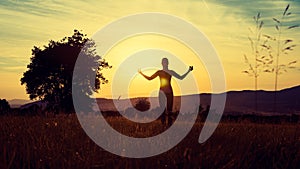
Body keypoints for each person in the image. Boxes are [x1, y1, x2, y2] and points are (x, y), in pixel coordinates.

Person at [138, 58, 193, 126]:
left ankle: (169, 125)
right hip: (162, 93)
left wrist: (188, 71)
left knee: (169, 110)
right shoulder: (159, 72)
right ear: (162, 63)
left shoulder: (170, 72)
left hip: (169, 93)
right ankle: (163, 125)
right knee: (162, 110)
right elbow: (150, 78)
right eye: (164, 62)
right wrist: (141, 73)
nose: (165, 63)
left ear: (167, 63)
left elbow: (181, 77)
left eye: (166, 62)